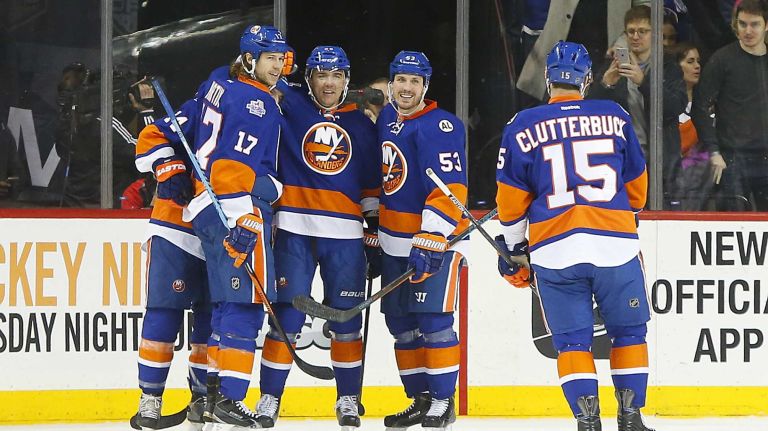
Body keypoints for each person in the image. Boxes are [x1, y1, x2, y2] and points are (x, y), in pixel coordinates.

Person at [495, 41, 653, 431]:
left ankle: (587, 422)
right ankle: (630, 418)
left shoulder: (521, 125)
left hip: (555, 250)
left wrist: (513, 249)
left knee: (572, 343)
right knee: (629, 332)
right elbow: (636, 191)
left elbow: (511, 202)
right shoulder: (614, 115)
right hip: (615, 246)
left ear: (548, 79)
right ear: (587, 79)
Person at [254, 45, 380, 429]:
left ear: (346, 80)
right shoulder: (291, 104)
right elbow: (260, 76)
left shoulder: (362, 125)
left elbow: (370, 184)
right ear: (308, 78)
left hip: (345, 236)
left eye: (337, 75)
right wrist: (279, 63)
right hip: (294, 229)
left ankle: (347, 399)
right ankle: (269, 399)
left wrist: (373, 229)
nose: (329, 83)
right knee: (286, 319)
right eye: (322, 75)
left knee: (346, 321)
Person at [184, 24, 288, 429]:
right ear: (248, 59)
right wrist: (247, 214)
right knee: (245, 306)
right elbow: (231, 167)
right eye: (269, 58)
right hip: (234, 210)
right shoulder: (256, 102)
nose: (277, 66)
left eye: (280, 58)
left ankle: (211, 397)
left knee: (226, 305)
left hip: (206, 207)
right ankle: (230, 397)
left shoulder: (219, 83)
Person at [376, 50, 468, 431]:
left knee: (434, 322)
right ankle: (421, 400)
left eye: (415, 81)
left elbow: (451, 189)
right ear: (391, 83)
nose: (407, 87)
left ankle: (444, 402)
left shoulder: (441, 127)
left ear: (425, 86)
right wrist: (373, 229)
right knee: (400, 324)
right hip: (392, 244)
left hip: (432, 244)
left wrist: (431, 236)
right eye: (401, 79)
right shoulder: (387, 118)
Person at [130, 74, 215, 428]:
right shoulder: (199, 108)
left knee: (212, 319)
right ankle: (150, 397)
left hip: (220, 235)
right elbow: (150, 136)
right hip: (174, 227)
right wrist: (170, 169)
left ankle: (202, 396)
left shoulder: (257, 119)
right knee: (163, 312)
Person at [590, 5, 687, 208]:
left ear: (655, 34)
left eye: (642, 31)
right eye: (631, 31)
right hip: (622, 160)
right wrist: (606, 84)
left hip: (660, 160)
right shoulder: (612, 65)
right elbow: (592, 113)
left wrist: (643, 82)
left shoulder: (669, 66)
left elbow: (675, 107)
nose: (635, 36)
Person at [691, 0, 768, 211]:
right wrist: (714, 152)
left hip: (765, 157)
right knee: (732, 221)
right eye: (742, 24)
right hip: (732, 158)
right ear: (735, 24)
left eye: (754, 24)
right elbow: (700, 107)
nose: (748, 31)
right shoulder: (721, 60)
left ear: (766, 25)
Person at [669, 42, 714, 210]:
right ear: (676, 66)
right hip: (679, 181)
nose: (697, 66)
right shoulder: (668, 105)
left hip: (708, 181)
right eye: (690, 61)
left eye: (698, 61)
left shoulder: (709, 102)